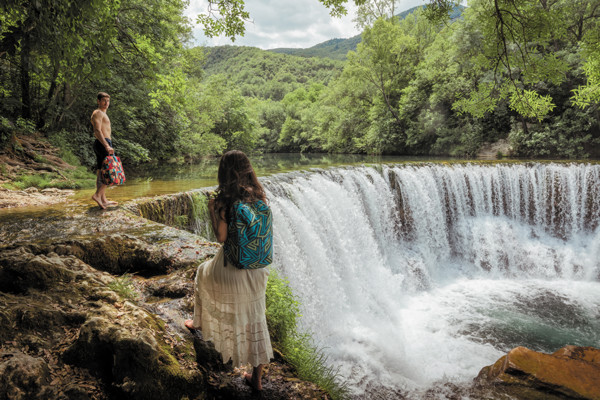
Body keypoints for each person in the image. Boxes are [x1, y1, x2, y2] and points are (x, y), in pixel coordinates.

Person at [185, 150, 274, 392]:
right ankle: (255, 379)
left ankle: (196, 322)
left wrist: (213, 210)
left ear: (224, 172)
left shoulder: (226, 199)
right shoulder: (258, 196)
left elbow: (221, 237)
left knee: (203, 272)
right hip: (259, 268)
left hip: (234, 265)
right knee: (257, 319)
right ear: (248, 169)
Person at [90, 92, 118, 209]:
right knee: (109, 170)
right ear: (98, 101)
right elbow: (97, 131)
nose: (106, 103)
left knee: (102, 170)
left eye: (108, 101)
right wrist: (107, 145)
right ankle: (97, 195)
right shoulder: (98, 113)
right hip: (103, 143)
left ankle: (103, 199)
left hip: (104, 143)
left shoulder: (103, 113)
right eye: (104, 101)